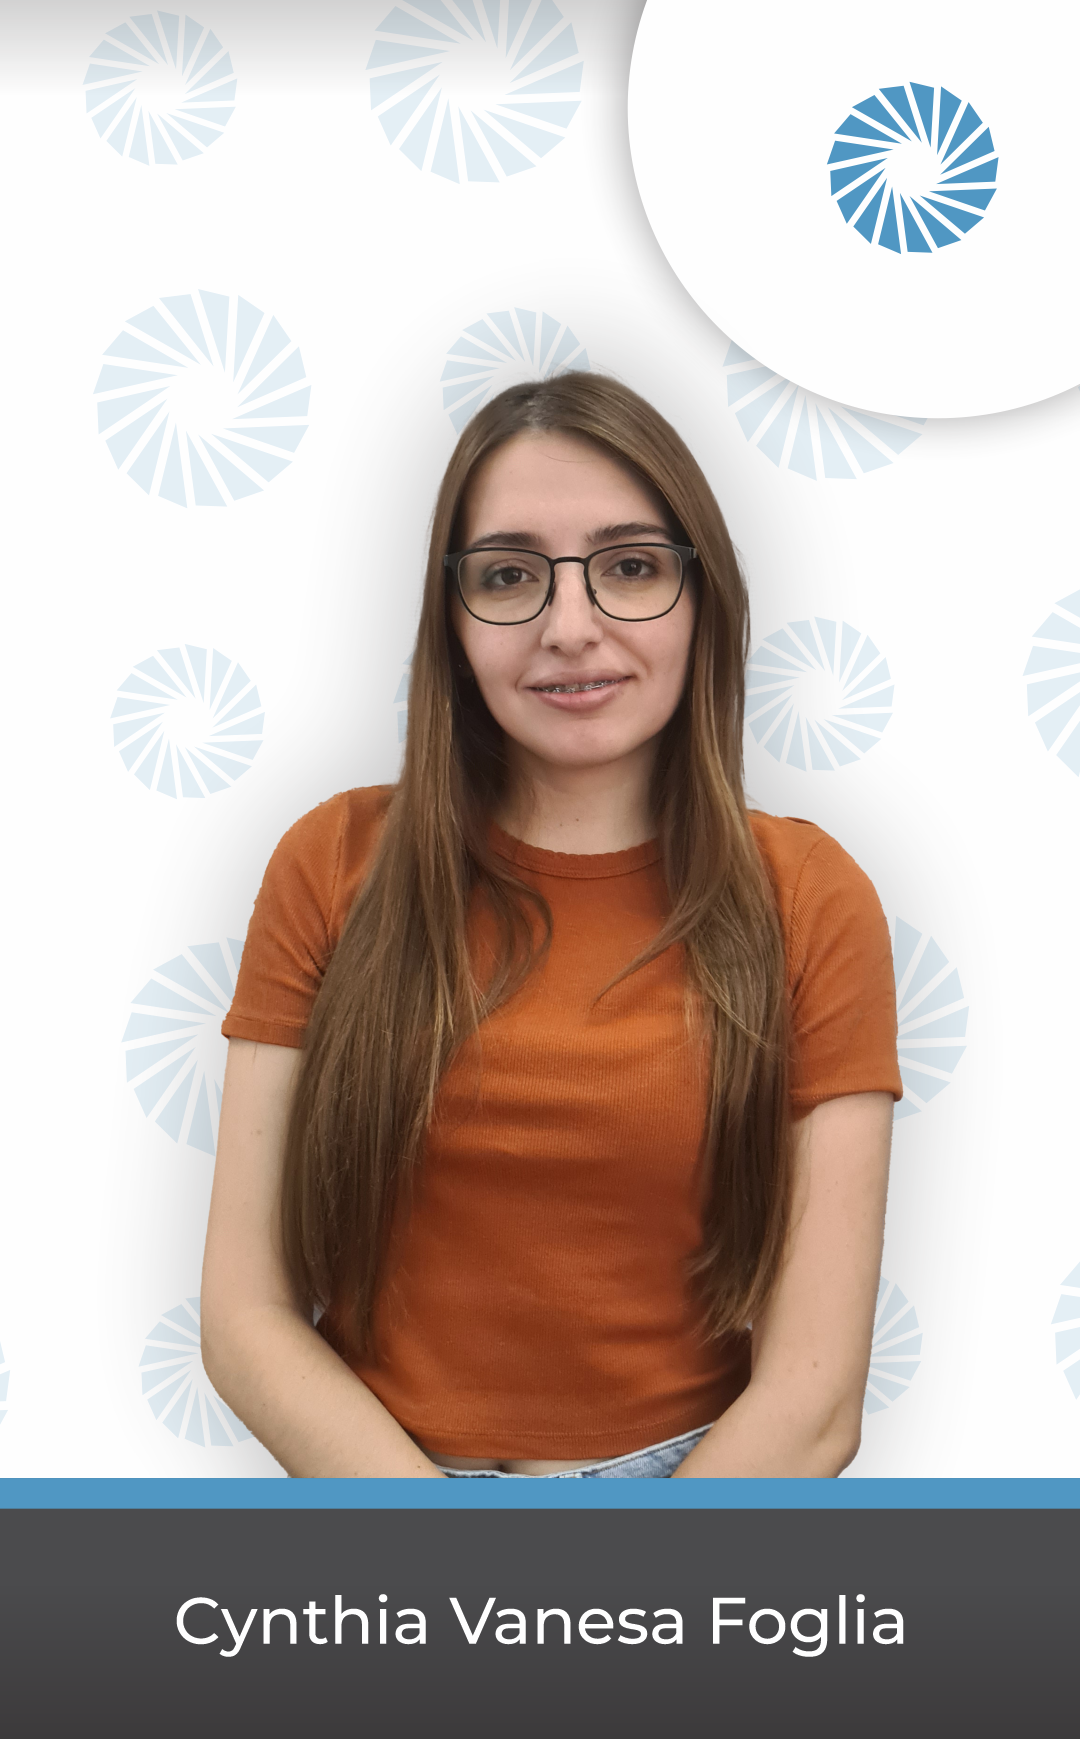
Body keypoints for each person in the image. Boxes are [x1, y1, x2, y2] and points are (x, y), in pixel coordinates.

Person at [201, 372, 901, 1480]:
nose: (570, 628)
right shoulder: (330, 863)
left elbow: (813, 1404)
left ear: (702, 595)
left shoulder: (811, 896)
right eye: (509, 575)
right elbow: (246, 1318)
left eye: (630, 566)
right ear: (452, 619)